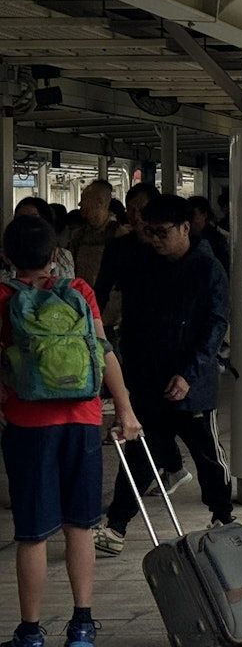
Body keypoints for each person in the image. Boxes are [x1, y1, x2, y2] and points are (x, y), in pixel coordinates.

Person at [0, 215, 142, 647]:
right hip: (82, 421)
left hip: (28, 424)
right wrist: (125, 409)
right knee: (80, 526)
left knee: (32, 533)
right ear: (54, 256)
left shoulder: (4, 296)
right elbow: (102, 351)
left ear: (7, 255)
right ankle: (82, 626)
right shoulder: (79, 291)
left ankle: (30, 631)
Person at [93, 195, 233, 556]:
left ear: (185, 228)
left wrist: (189, 374)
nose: (153, 239)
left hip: (192, 383)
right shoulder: (144, 263)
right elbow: (135, 322)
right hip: (148, 378)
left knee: (206, 455)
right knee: (140, 453)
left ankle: (223, 518)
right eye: (148, 232)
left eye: (161, 232)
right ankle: (116, 526)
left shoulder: (208, 268)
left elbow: (215, 326)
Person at [63, 180, 124, 287]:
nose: (79, 204)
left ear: (100, 202)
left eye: (84, 199)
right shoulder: (79, 235)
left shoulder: (119, 234)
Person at [2, 197, 75, 280]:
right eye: (20, 219)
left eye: (34, 219)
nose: (26, 225)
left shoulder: (63, 256)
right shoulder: (7, 255)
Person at [188, 196, 231, 275]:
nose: (190, 221)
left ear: (204, 215)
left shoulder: (214, 239)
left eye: (193, 216)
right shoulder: (190, 237)